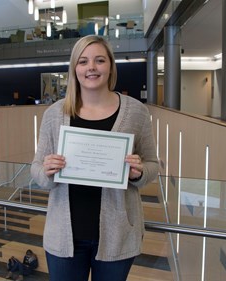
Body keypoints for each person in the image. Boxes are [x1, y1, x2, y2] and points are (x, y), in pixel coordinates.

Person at [30, 35, 159, 281]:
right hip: (64, 236)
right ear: (74, 68)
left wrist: (139, 173)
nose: (91, 67)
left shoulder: (136, 113)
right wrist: (45, 171)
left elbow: (154, 165)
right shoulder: (54, 114)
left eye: (99, 60)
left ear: (110, 66)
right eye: (83, 61)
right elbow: (36, 170)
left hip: (117, 236)